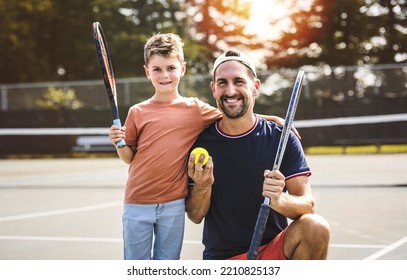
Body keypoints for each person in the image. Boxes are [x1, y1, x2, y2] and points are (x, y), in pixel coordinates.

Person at [108, 34, 289, 260]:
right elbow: (129, 157)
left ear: (182, 69)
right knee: (136, 265)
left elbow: (232, 114)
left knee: (168, 264)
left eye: (171, 68)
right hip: (137, 202)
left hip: (173, 204)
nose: (164, 75)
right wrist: (119, 143)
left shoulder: (195, 109)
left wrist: (272, 118)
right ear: (147, 72)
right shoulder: (137, 112)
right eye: (157, 69)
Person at [186, 49, 330, 260]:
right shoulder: (200, 143)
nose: (230, 90)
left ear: (255, 87)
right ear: (214, 89)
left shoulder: (282, 138)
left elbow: (307, 205)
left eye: (239, 81)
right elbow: (195, 215)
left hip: (274, 249)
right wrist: (202, 185)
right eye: (222, 83)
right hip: (223, 259)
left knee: (315, 227)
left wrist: (279, 200)